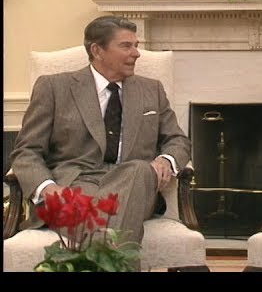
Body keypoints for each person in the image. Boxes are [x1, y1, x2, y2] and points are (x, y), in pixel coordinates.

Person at [10, 15, 191, 251]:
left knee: (140, 169)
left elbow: (177, 140)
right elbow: (26, 151)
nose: (136, 53)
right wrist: (47, 188)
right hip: (75, 184)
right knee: (97, 210)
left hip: (133, 183)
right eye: (126, 46)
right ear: (97, 50)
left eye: (136, 46)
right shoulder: (54, 87)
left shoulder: (151, 90)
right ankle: (110, 259)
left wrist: (165, 159)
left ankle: (98, 253)